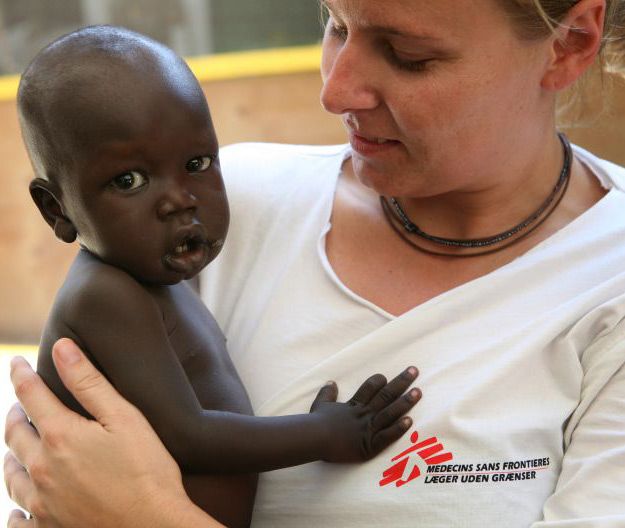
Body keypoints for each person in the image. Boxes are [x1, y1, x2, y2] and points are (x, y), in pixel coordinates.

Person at [5, 0, 625, 526]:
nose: (334, 90)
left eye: (408, 53)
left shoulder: (609, 277)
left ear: (569, 42)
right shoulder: (213, 216)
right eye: (333, 22)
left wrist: (153, 517)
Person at [7, 25, 421, 528]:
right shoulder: (105, 297)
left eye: (197, 163)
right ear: (57, 210)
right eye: (128, 181)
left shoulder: (153, 277)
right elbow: (190, 436)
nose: (179, 199)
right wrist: (325, 433)